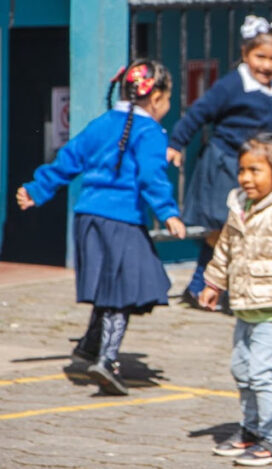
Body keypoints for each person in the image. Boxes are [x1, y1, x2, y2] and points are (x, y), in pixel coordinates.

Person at [16, 59, 186, 396]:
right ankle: (106, 360)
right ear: (156, 98)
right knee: (125, 289)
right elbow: (150, 176)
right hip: (121, 221)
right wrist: (169, 212)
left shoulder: (103, 123)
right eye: (168, 99)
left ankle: (90, 346)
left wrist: (37, 189)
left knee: (113, 287)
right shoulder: (149, 130)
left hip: (88, 219)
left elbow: (69, 158)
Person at [167, 15, 272, 308]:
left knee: (246, 226)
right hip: (226, 164)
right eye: (260, 56)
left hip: (261, 168)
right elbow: (198, 113)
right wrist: (177, 143)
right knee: (222, 228)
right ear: (245, 54)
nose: (267, 65)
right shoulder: (231, 86)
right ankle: (201, 286)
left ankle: (221, 288)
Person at [198, 133, 272, 467]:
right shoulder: (239, 204)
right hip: (246, 304)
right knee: (241, 369)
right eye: (242, 170)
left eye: (254, 171)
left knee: (261, 372)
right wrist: (213, 283)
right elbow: (225, 248)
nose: (245, 178)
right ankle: (249, 430)